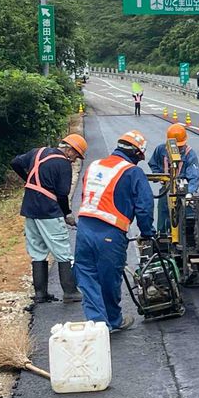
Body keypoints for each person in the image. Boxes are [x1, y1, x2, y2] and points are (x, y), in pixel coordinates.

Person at [74, 130, 155, 332]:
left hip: (84, 229)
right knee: (109, 277)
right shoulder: (132, 171)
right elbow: (144, 206)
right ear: (137, 154)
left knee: (87, 276)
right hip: (109, 233)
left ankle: (98, 324)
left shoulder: (93, 166)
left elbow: (86, 195)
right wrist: (147, 232)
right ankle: (112, 320)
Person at [10, 134, 87, 303]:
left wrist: (29, 181)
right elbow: (62, 194)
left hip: (30, 208)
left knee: (37, 251)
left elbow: (15, 162)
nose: (75, 160)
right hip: (49, 211)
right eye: (76, 155)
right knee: (62, 250)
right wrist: (67, 213)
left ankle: (40, 293)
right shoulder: (63, 164)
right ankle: (70, 291)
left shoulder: (37, 152)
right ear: (69, 149)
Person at [149, 123, 199, 234]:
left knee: (184, 222)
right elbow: (153, 163)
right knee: (163, 220)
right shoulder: (161, 150)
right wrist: (159, 175)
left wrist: (190, 193)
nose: (178, 148)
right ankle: (162, 239)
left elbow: (194, 176)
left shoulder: (189, 154)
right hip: (166, 190)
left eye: (180, 146)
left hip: (183, 192)